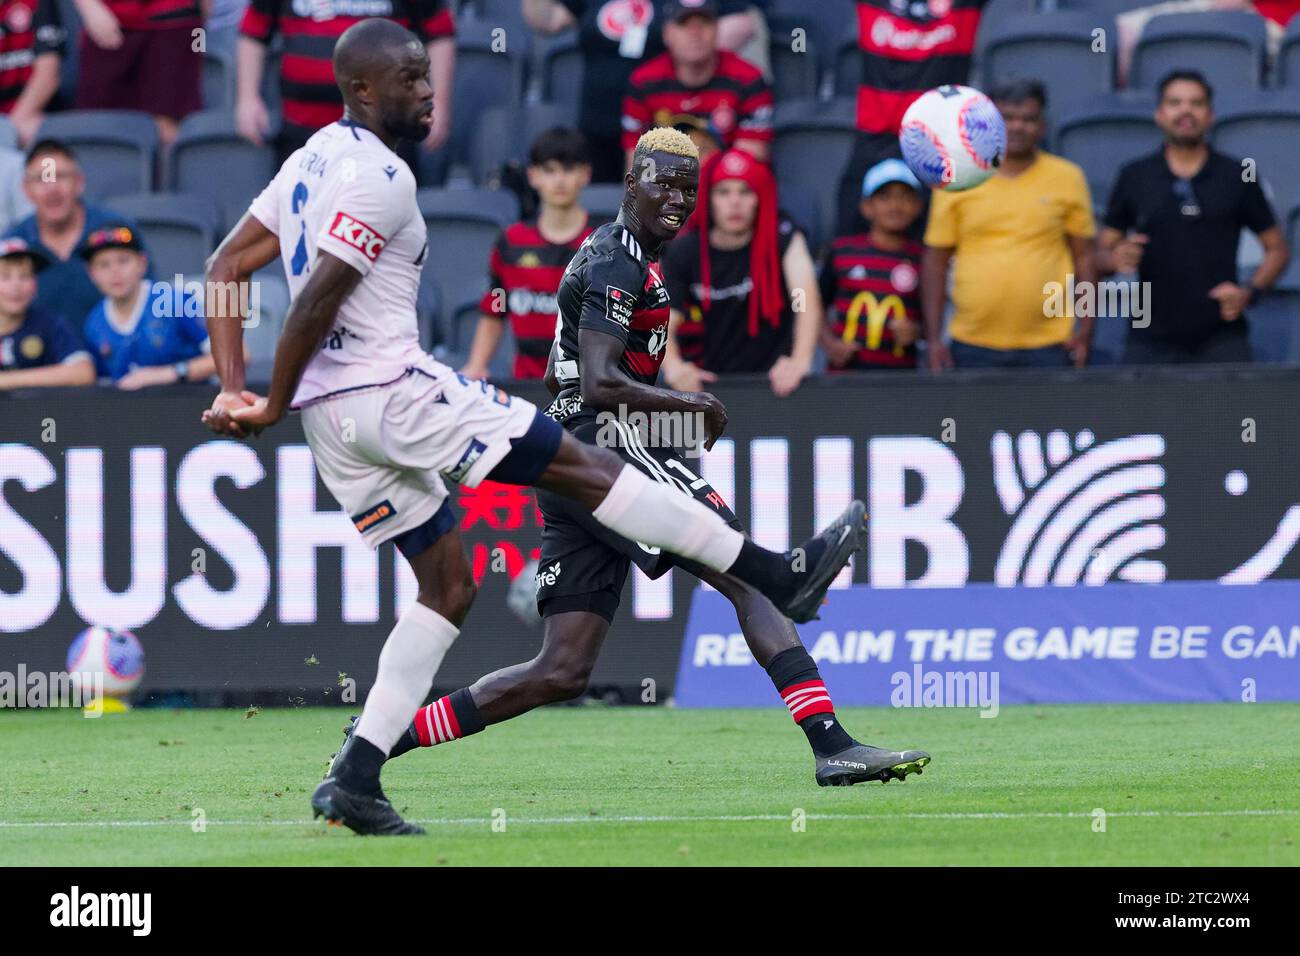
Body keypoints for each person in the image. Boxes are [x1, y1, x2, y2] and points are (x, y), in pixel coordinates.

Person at [201, 19, 866, 836]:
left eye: (426, 73)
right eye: (410, 78)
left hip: (332, 424)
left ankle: (358, 773)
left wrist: (235, 387)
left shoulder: (307, 159)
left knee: (452, 592)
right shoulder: (384, 178)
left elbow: (226, 266)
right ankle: (780, 571)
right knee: (583, 469)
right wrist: (263, 398)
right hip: (394, 393)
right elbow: (315, 299)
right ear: (362, 89)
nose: (428, 88)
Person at [326, 126, 929, 795]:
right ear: (632, 179)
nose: (676, 197)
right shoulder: (617, 258)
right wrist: (689, 405)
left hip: (574, 462)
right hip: (606, 446)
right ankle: (831, 742)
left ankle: (374, 741)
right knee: (747, 580)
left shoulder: (631, 255)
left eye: (686, 187)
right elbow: (600, 381)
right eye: (661, 182)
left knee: (560, 669)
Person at [1101, 70, 1289, 365]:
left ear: (1210, 115)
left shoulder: (1237, 175)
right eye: (1175, 103)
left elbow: (1277, 248)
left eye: (1196, 103)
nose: (1186, 111)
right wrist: (1116, 257)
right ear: (1159, 114)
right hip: (1147, 337)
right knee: (1140, 413)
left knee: (1235, 412)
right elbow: (1105, 247)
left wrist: (1248, 292)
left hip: (1221, 336)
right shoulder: (1134, 175)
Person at [922, 80, 1097, 371]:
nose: (1017, 127)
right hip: (971, 343)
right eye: (1007, 118)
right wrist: (934, 340)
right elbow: (935, 264)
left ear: (1042, 126)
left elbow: (1085, 258)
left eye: (1028, 119)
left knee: (1049, 419)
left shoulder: (1068, 177)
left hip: (1050, 344)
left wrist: (1086, 332)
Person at [522, 0, 757, 183]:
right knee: (602, 211)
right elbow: (549, 20)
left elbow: (742, 23)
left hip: (664, 118)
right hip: (597, 123)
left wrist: (691, 42)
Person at [660, 147, 819, 397]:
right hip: (711, 386)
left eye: (745, 192)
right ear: (707, 199)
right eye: (723, 192)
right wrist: (674, 366)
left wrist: (799, 360)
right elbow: (665, 320)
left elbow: (802, 299)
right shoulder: (686, 251)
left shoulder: (781, 236)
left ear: (760, 199)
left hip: (776, 383)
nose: (735, 202)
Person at [834, 0, 990, 236]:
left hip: (937, 146)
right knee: (847, 241)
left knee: (931, 247)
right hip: (873, 140)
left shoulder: (963, 5)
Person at [235, 0, 455, 166]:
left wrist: (439, 101)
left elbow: (439, 34)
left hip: (386, 135)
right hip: (302, 137)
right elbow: (253, 32)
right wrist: (247, 98)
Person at [461, 127, 595, 382]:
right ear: (534, 176)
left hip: (590, 390)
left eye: (568, 170)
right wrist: (476, 365)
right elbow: (494, 309)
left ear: (584, 175)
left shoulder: (605, 245)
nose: (559, 181)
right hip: (526, 388)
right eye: (550, 170)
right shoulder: (511, 242)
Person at [5, 140, 149, 335]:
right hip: (41, 361)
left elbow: (147, 302)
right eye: (41, 179)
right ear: (26, 189)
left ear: (79, 182)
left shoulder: (116, 231)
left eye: (61, 176)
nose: (52, 188)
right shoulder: (11, 245)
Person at [621, 0, 772, 169]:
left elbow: (750, 161)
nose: (694, 33)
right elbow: (635, 162)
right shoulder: (643, 82)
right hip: (667, 188)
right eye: (683, 24)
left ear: (716, 29)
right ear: (667, 33)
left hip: (725, 187)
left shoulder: (748, 79)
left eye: (704, 23)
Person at [80, 223, 226, 388]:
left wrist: (170, 373)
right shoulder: (94, 323)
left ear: (142, 263)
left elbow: (236, 355)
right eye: (104, 265)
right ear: (91, 273)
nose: (115, 272)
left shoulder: (175, 301)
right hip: (133, 411)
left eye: (123, 261)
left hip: (190, 404)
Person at [820, 158, 925, 372]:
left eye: (905, 197)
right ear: (867, 207)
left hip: (901, 383)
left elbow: (933, 318)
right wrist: (828, 343)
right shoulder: (841, 250)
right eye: (885, 197)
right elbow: (801, 298)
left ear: (918, 207)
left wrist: (917, 332)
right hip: (844, 379)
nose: (895, 206)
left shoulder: (923, 259)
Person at [73, 0, 205, 145]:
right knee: (94, 124)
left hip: (175, 18)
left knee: (166, 126)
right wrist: (89, 7)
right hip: (107, 20)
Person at [0, 237, 94, 389]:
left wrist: (6, 381)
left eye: (25, 276)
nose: (16, 286)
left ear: (35, 285)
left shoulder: (50, 325)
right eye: (5, 276)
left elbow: (83, 372)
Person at [0, 0, 65, 146]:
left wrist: (9, 130)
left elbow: (48, 77)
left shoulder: (35, 3)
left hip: (26, 116)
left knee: (35, 130)